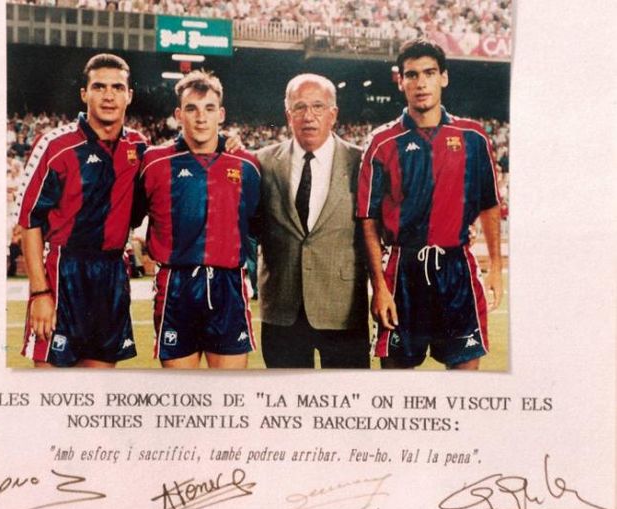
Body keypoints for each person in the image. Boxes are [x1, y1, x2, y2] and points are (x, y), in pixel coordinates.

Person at [357, 38, 503, 370]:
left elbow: (489, 203)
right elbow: (367, 220)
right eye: (412, 75)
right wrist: (379, 286)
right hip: (401, 272)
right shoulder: (382, 143)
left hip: (456, 269)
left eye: (429, 73)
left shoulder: (473, 137)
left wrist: (495, 267)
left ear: (444, 77)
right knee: (397, 379)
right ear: (401, 81)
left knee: (466, 375)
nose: (421, 83)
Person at [16, 53, 147, 368]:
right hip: (63, 272)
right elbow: (29, 221)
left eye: (117, 87)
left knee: (97, 390)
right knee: (49, 393)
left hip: (112, 274)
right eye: (99, 87)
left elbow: (183, 156)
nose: (108, 95)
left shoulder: (139, 147)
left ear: (129, 95)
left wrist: (227, 142)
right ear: (84, 93)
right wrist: (39, 293)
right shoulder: (56, 146)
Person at [134, 71, 261, 369]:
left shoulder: (247, 165)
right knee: (181, 397)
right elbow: (132, 215)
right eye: (191, 108)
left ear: (221, 114)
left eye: (209, 108)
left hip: (228, 286)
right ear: (179, 115)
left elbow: (255, 224)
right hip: (176, 286)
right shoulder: (154, 162)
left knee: (229, 398)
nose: (200, 117)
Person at [255, 73, 370, 368]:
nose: (309, 116)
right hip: (282, 307)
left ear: (333, 114)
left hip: (342, 308)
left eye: (318, 107)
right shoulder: (262, 162)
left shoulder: (361, 163)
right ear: (287, 114)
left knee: (348, 402)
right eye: (300, 107)